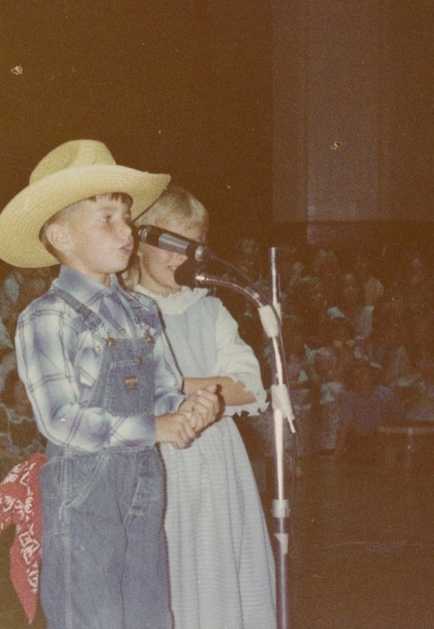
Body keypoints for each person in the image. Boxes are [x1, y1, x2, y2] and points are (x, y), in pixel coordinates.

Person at [0, 139, 220, 629]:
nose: (127, 231)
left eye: (126, 217)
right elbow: (60, 420)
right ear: (60, 235)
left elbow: (162, 389)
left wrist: (187, 408)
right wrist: (155, 427)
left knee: (148, 613)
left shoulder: (142, 308)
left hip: (143, 484)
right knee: (92, 615)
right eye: (106, 219)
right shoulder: (48, 316)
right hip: (84, 492)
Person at [128, 184, 276, 629]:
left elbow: (249, 385)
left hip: (214, 457)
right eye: (170, 247)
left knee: (218, 562)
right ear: (138, 241)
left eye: (193, 249)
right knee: (171, 562)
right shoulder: (126, 309)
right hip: (155, 453)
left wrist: (173, 384)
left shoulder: (208, 309)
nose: (182, 260)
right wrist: (203, 389)